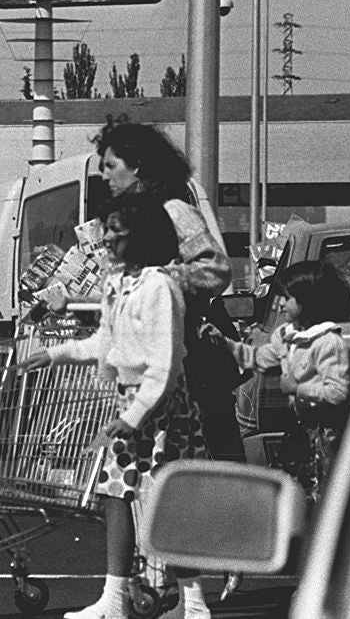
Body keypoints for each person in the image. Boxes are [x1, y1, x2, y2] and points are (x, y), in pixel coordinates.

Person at [17, 193, 209, 619]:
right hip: (132, 398)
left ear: (143, 236)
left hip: (160, 406)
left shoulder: (159, 286)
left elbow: (164, 362)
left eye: (119, 230)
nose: (109, 237)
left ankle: (192, 602)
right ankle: (116, 599)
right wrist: (55, 354)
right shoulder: (118, 282)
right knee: (115, 494)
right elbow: (106, 341)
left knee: (165, 503)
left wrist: (133, 416)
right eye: (108, 229)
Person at [94, 120, 242, 463]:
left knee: (206, 465)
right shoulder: (128, 218)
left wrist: (159, 277)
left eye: (110, 165)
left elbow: (215, 269)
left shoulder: (173, 211)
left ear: (138, 166)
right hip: (150, 363)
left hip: (189, 361)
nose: (103, 175)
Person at [210, 260, 350, 502]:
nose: (280, 304)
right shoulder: (287, 336)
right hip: (306, 428)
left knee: (333, 489)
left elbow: (337, 391)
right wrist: (225, 343)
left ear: (308, 303)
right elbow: (258, 359)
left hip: (331, 431)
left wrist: (298, 387)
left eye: (288, 298)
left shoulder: (330, 343)